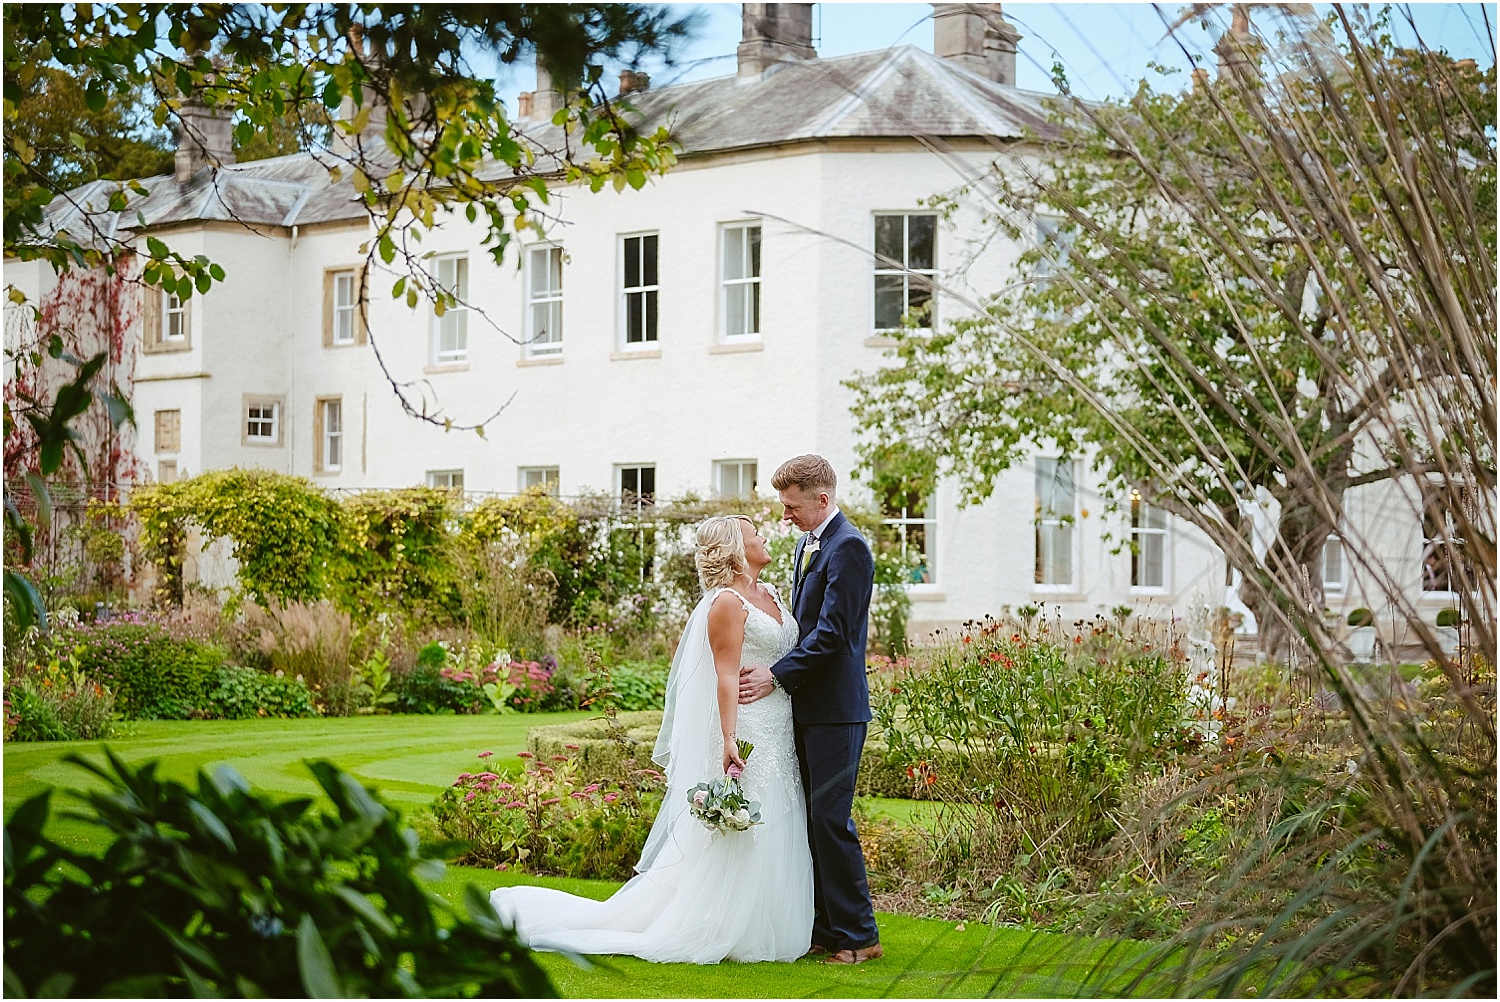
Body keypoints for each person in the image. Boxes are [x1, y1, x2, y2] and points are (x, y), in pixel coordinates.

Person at [490, 515, 813, 964]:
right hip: (750, 725)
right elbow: (723, 676)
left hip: (780, 723)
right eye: (753, 531)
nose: (762, 535)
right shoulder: (726, 603)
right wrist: (729, 738)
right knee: (745, 827)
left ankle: (769, 920)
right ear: (737, 549)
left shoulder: (772, 594)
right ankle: (724, 926)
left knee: (778, 816)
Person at [739, 455, 883, 965]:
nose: (785, 516)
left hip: (837, 710)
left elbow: (833, 634)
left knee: (831, 819)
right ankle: (825, 926)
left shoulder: (850, 548)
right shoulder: (807, 543)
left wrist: (776, 674)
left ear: (821, 499)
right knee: (811, 819)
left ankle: (860, 935)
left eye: (791, 505)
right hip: (804, 707)